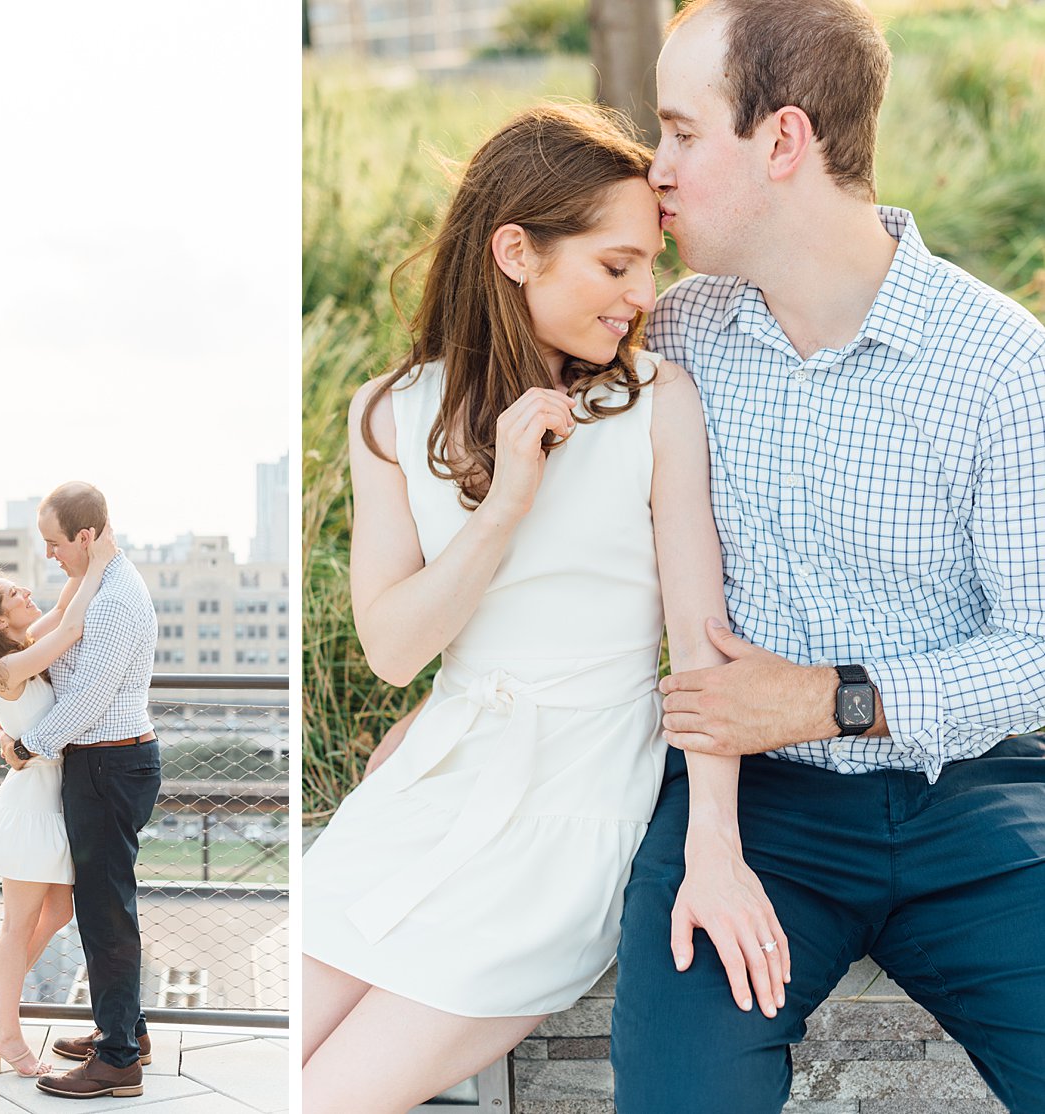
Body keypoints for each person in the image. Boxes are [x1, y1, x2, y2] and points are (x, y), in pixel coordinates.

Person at [301, 103, 789, 1114]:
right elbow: (395, 650)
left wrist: (712, 846)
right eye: (615, 268)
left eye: (649, 267)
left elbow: (702, 653)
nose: (641, 297)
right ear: (516, 250)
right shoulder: (391, 413)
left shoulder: (661, 402)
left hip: (576, 806)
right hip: (430, 787)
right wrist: (507, 501)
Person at [608, 2, 1045, 1112]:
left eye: (682, 132)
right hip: (754, 815)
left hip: (974, 806)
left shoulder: (999, 365)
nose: (653, 168)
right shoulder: (672, 334)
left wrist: (830, 701)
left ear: (784, 140)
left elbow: (1040, 645)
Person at [0, 481, 161, 1102]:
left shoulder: (116, 599)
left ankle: (118, 1060)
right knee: (108, 905)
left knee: (105, 913)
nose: (49, 556)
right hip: (104, 765)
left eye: (54, 543)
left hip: (107, 767)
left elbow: (88, 698)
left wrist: (25, 746)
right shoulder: (100, 585)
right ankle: (127, 1033)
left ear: (85, 537)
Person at [0, 525, 117, 1076]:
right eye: (13, 595)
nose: (25, 594)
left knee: (59, 910)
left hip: (47, 797)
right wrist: (99, 565)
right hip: (31, 807)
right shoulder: (4, 665)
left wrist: (87, 563)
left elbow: (63, 607)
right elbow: (70, 627)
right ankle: (7, 1036)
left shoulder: (17, 649)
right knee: (17, 926)